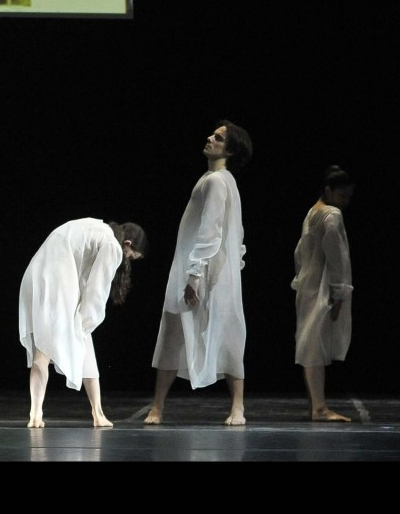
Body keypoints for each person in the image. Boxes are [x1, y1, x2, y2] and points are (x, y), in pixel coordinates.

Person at [145, 120, 253, 425]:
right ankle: (157, 407)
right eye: (213, 135)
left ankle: (237, 407)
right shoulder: (218, 179)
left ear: (230, 150)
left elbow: (211, 230)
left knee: (226, 334)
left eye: (218, 138)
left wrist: (194, 275)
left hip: (208, 273)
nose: (210, 138)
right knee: (176, 332)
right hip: (211, 270)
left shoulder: (218, 181)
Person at [19, 218, 148, 428]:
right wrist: (86, 324)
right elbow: (97, 292)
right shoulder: (112, 246)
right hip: (56, 280)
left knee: (45, 349)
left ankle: (42, 413)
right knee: (61, 343)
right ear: (128, 244)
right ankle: (87, 413)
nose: (128, 261)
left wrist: (82, 327)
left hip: (36, 275)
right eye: (131, 257)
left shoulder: (98, 228)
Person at [292, 165, 356, 421]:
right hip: (321, 287)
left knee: (310, 345)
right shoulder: (331, 215)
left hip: (307, 284)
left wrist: (300, 278)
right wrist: (339, 292)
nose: (345, 202)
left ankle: (315, 405)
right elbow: (337, 256)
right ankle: (319, 408)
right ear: (329, 191)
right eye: (342, 195)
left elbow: (299, 252)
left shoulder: (312, 213)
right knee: (315, 347)